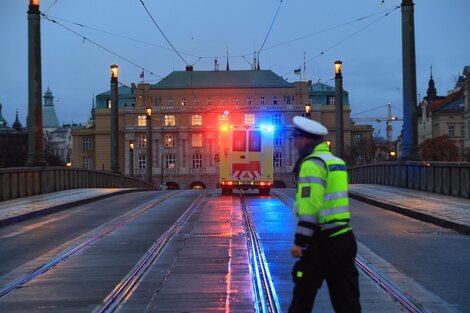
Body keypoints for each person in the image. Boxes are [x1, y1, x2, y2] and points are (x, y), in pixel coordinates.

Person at [288, 116, 361, 313]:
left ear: (305, 140)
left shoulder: (312, 164)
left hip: (323, 240)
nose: (294, 144)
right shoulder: (336, 162)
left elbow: (310, 206)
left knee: (302, 296)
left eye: (296, 139)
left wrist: (299, 242)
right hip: (345, 237)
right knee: (347, 300)